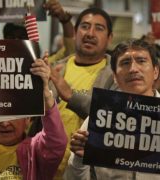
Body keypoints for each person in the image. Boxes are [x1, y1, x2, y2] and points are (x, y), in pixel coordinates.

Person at [65, 39, 160, 180]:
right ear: (114, 76)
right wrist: (79, 160)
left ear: (155, 72)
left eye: (141, 61)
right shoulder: (99, 118)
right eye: (125, 62)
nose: (133, 68)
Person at [0, 56, 67, 179]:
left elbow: (56, 142)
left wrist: (46, 94)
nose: (5, 123)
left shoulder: (36, 151)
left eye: (13, 115)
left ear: (27, 120)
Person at [49, 7, 117, 178]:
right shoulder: (55, 69)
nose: (90, 33)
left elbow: (113, 120)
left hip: (84, 173)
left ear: (110, 38)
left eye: (99, 28)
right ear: (75, 32)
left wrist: (70, 96)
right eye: (85, 26)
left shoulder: (116, 77)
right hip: (46, 170)